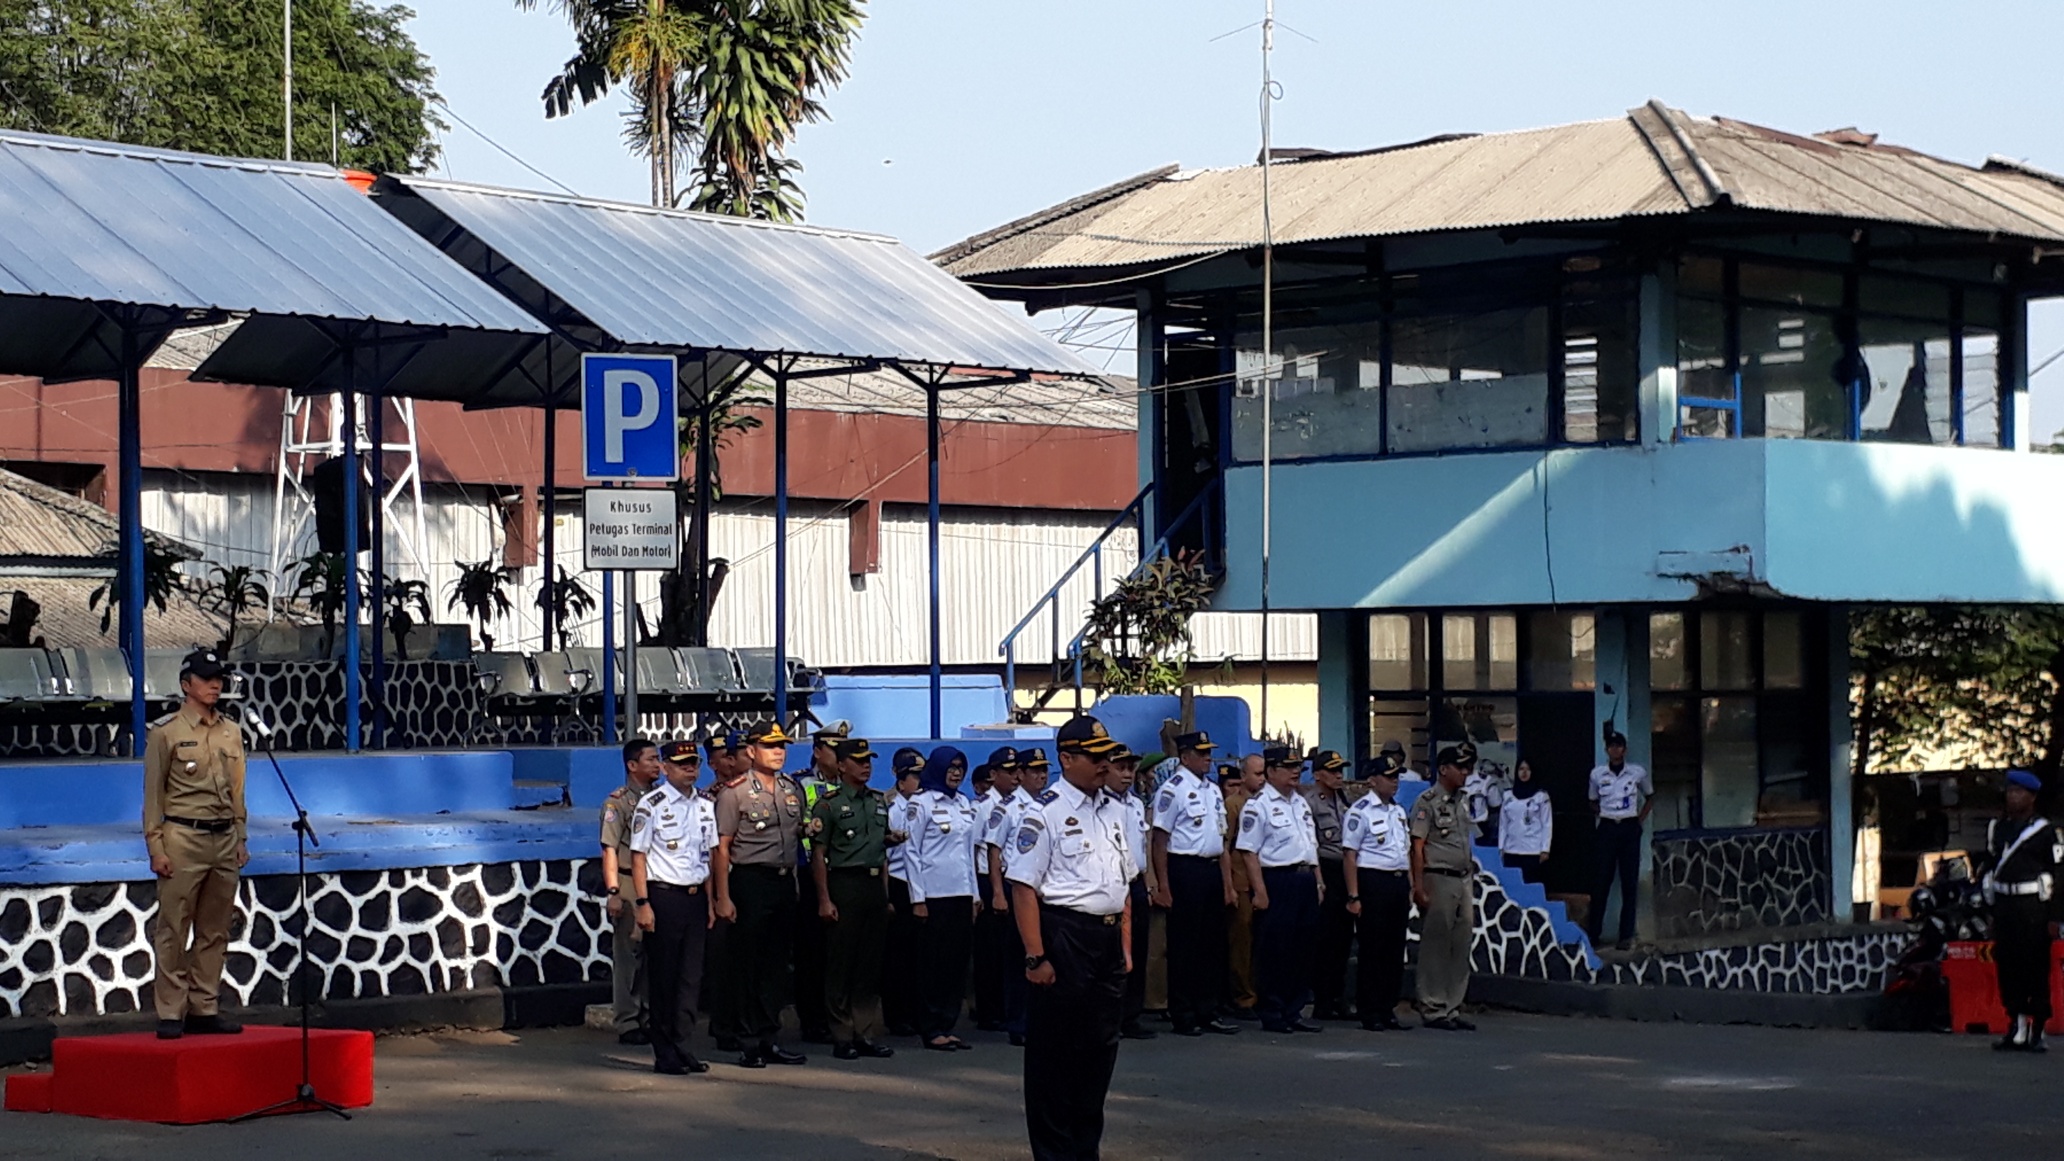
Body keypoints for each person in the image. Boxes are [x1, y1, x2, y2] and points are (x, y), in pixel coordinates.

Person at [1008, 715, 1134, 1161]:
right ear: (1067, 758)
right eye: (1095, 757)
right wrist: (1034, 956)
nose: (1105, 765)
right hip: (1063, 935)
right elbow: (1023, 887)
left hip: (1105, 940)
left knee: (1098, 1053)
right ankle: (1054, 1152)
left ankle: (1085, 1149)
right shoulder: (1044, 813)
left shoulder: (1116, 810)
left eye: (1107, 756)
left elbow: (1123, 886)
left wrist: (1124, 945)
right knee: (1053, 1057)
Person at [144, 648, 248, 1040]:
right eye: (206, 679)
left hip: (222, 838)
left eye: (218, 678)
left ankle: (204, 1006)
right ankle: (171, 1010)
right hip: (182, 836)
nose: (215, 685)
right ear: (187, 684)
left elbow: (238, 792)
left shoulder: (231, 731)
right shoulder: (166, 733)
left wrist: (240, 837)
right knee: (174, 925)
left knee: (215, 927)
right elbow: (153, 796)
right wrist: (156, 847)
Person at [711, 720, 808, 1068]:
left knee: (776, 965)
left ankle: (770, 1038)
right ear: (751, 752)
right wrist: (723, 897)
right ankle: (747, 1040)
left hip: (782, 881)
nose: (778, 752)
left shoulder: (791, 788)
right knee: (747, 963)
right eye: (770, 746)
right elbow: (721, 848)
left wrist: (793, 882)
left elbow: (795, 840)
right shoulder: (734, 792)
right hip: (750, 882)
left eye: (781, 745)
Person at [628, 740, 717, 1075]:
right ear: (665, 768)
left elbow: (706, 857)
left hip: (695, 898)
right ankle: (663, 1051)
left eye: (694, 763)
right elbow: (639, 856)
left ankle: (682, 1045)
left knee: (690, 978)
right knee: (664, 978)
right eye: (681, 764)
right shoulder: (652, 805)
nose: (690, 769)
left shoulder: (704, 805)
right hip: (664, 897)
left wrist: (709, 902)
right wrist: (643, 903)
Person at [810, 736, 897, 1061]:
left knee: (869, 964)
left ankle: (864, 1032)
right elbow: (819, 854)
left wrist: (886, 895)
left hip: (873, 886)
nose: (865, 767)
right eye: (859, 761)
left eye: (868, 761)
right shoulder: (828, 805)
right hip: (844, 885)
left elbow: (881, 851)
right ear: (842, 765)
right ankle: (842, 1034)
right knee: (841, 963)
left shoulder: (877, 801)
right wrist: (824, 899)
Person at [1150, 731, 1238, 1037]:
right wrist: (1164, 884)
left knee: (1211, 944)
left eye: (1208, 753)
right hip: (1185, 869)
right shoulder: (1172, 790)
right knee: (1185, 945)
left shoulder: (1213, 791)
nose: (1208, 758)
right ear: (1185, 757)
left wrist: (1227, 884)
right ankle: (1183, 1013)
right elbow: (1159, 841)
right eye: (1201, 753)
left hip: (1211, 868)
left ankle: (1207, 1009)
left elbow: (1221, 840)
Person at [1237, 746, 1323, 1035]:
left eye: (1298, 766)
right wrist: (1259, 891)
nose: (1296, 772)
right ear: (1272, 771)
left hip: (1304, 878)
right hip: (1277, 879)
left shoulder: (1300, 803)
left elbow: (1311, 846)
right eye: (1288, 767)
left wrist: (1318, 880)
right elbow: (1249, 852)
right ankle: (1272, 1010)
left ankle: (1293, 1009)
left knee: (1303, 947)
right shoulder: (1258, 805)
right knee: (1276, 949)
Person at [1983, 769, 2063, 1053]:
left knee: (2035, 968)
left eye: (2019, 792)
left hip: (2034, 908)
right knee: (2009, 967)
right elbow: (1990, 870)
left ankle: (2037, 1028)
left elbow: (2058, 874)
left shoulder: (2044, 831)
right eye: (2009, 791)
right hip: (2005, 906)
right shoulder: (1998, 828)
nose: (2012, 797)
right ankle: (2016, 1026)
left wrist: (2055, 917)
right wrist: (1990, 911)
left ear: (2031, 797)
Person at [907, 746, 979, 1051]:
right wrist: (917, 898)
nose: (956, 773)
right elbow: (911, 851)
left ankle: (948, 1024)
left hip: (961, 894)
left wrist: (975, 895)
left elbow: (968, 854)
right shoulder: (921, 804)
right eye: (950, 767)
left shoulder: (964, 803)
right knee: (933, 964)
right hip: (934, 896)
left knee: (956, 964)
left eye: (960, 768)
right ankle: (931, 1026)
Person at [1410, 743, 1479, 1031]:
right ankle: (1433, 1006)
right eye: (1460, 767)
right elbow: (1417, 846)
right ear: (1443, 769)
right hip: (1438, 876)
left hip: (1463, 878)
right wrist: (1418, 886)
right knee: (1436, 944)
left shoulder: (1463, 800)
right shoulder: (1427, 802)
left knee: (1461, 942)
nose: (1465, 773)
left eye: (1468, 767)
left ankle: (1452, 1006)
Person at [600, 738, 662, 1045]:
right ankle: (627, 1020)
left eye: (657, 758)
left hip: (656, 881)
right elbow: (609, 849)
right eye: (650, 759)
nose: (657, 764)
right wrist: (613, 891)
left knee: (654, 955)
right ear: (632, 765)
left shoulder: (662, 798)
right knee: (629, 956)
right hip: (626, 883)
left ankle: (650, 1016)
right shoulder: (619, 803)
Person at [1342, 757, 1412, 1031]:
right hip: (1373, 881)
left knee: (1394, 949)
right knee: (1373, 948)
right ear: (1373, 780)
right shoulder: (1361, 811)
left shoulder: (1397, 811)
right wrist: (1354, 895)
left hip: (1396, 882)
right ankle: (1369, 1009)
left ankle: (1387, 1007)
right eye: (1388, 776)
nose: (1394, 781)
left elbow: (1403, 852)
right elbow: (1350, 855)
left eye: (1396, 776)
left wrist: (1409, 886)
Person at [791, 720, 849, 1044]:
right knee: (811, 953)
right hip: (810, 874)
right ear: (817, 752)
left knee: (840, 952)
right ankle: (812, 1020)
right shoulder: (800, 785)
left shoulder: (850, 784)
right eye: (834, 749)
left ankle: (838, 1015)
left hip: (843, 872)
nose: (840, 756)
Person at [699, 729, 751, 1052]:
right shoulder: (709, 798)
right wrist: (714, 897)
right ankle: (724, 1026)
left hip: (748, 883)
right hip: (720, 886)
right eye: (722, 758)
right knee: (724, 962)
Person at [998, 747, 1051, 1046]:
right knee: (1021, 957)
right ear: (1020, 774)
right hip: (1015, 885)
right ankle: (1018, 1023)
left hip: (1042, 889)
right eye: (1034, 770)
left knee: (1042, 955)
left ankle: (1038, 1020)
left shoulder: (1047, 805)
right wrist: (997, 892)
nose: (1041, 775)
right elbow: (993, 850)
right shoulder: (1009, 808)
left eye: (1044, 769)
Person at [1107, 745, 1157, 1040]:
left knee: (1137, 950)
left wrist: (1149, 883)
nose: (1127, 774)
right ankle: (1111, 1015)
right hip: (1112, 884)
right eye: (1120, 768)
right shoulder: (1101, 803)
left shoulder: (1135, 804)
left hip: (1135, 881)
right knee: (1113, 954)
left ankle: (1131, 1015)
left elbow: (1144, 845)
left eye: (1130, 768)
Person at [1586, 730, 1652, 950]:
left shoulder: (1637, 773)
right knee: (1601, 881)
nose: (1615, 750)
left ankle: (1625, 935)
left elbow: (1650, 796)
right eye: (1611, 746)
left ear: (1624, 749)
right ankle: (1594, 933)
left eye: (1619, 746)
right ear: (1606, 750)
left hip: (1628, 827)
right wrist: (1604, 815)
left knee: (1629, 882)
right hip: (1607, 828)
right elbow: (1592, 801)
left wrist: (1638, 821)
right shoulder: (1597, 774)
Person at [973, 746, 1021, 1031]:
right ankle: (988, 1011)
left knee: (1009, 949)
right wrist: (985, 893)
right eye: (1008, 771)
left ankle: (1004, 1008)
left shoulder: (1018, 804)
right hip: (988, 881)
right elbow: (979, 850)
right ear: (993, 774)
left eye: (1017, 771)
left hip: (1008, 879)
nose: (1015, 777)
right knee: (989, 951)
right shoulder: (983, 807)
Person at [1304, 749, 1353, 1020]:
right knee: (1325, 938)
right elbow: (1312, 843)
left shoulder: (1344, 800)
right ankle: (1322, 999)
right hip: (1325, 868)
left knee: (1343, 938)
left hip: (1345, 871)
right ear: (1318, 774)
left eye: (1340, 770)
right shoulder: (1311, 802)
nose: (1338, 776)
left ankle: (1338, 996)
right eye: (1333, 771)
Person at [882, 746, 926, 1037]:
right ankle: (897, 1016)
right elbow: (882, 854)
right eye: (914, 776)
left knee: (919, 955)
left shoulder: (926, 804)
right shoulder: (886, 805)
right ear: (900, 779)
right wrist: (884, 896)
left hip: (922, 884)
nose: (919, 782)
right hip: (896, 882)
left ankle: (916, 1012)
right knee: (896, 956)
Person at [1221, 754, 1266, 1019]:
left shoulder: (1267, 803)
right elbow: (1224, 846)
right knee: (1241, 942)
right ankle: (1243, 997)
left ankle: (1258, 992)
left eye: (1264, 774)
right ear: (1244, 776)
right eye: (1257, 774)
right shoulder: (1234, 804)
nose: (1261, 779)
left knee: (1261, 943)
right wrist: (1228, 885)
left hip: (1262, 879)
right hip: (1241, 881)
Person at [1498, 759, 1553, 884]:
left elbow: (1547, 824)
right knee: (1511, 885)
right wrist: (1501, 847)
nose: (1524, 773)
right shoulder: (1508, 796)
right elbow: (1503, 824)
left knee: (1531, 885)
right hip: (1511, 850)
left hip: (1532, 850)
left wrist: (1545, 849)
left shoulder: (1541, 796)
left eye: (1528, 769)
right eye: (1521, 769)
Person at [1463, 759, 1509, 844]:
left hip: (1481, 827)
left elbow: (1495, 804)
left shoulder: (1487, 781)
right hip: (1462, 825)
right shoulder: (1457, 782)